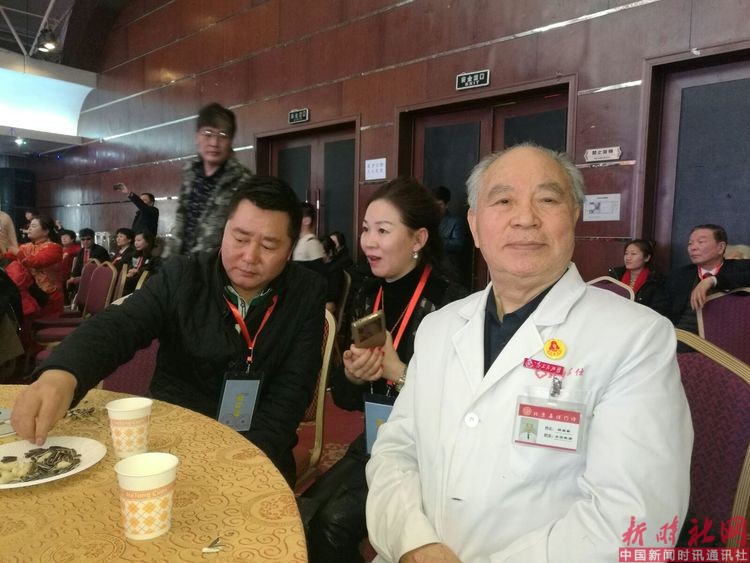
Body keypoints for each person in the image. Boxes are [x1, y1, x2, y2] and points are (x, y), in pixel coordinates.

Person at [365, 145, 693, 563]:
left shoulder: (636, 339)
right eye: (503, 201)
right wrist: (413, 543)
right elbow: (395, 451)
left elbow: (635, 517)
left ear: (574, 216)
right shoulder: (438, 327)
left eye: (548, 200)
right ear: (474, 225)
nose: (525, 218)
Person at [10, 176, 326, 487]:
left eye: (268, 245)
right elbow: (120, 325)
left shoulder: (306, 292)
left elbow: (292, 390)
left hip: (260, 447)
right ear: (225, 230)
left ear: (289, 249)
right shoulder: (183, 275)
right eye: (240, 239)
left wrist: (243, 460)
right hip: (175, 439)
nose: (249, 256)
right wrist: (63, 374)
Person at [299, 178, 465, 563]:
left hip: (426, 454)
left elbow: (457, 410)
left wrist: (399, 372)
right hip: (376, 440)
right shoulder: (367, 292)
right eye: (365, 229)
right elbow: (346, 399)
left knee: (331, 525)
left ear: (418, 239)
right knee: (302, 514)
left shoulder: (450, 303)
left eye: (383, 231)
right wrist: (354, 375)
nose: (369, 242)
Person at [166, 102, 253, 256]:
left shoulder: (244, 180)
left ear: (231, 141)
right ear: (197, 136)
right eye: (208, 133)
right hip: (182, 265)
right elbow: (180, 224)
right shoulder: (190, 173)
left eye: (223, 135)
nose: (214, 143)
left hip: (216, 267)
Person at [654, 224, 750, 334]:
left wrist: (713, 280)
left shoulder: (739, 267)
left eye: (701, 242)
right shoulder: (679, 275)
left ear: (721, 247)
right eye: (690, 243)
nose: (693, 248)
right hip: (681, 335)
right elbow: (659, 310)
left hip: (724, 337)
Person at [1, 215, 64, 319]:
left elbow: (35, 262)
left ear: (46, 231)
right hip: (32, 295)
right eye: (29, 226)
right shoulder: (26, 246)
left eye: (33, 226)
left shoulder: (54, 248)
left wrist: (17, 252)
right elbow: (6, 256)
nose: (29, 229)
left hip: (49, 298)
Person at [607, 239, 664, 308]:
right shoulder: (616, 275)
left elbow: (657, 310)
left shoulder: (655, 281)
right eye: (626, 253)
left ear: (647, 258)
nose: (628, 258)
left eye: (633, 254)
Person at [66, 228, 110, 298]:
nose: (85, 242)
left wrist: (81, 278)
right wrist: (73, 277)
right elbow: (77, 267)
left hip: (96, 279)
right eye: (83, 239)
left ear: (93, 239)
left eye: (88, 239)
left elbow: (102, 269)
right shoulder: (81, 251)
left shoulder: (100, 250)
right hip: (82, 278)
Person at [123, 230, 160, 295]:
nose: (136, 243)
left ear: (148, 241)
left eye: (139, 240)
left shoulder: (155, 257)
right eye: (135, 241)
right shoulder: (135, 255)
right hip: (131, 283)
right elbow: (129, 267)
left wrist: (138, 272)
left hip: (143, 287)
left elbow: (155, 275)